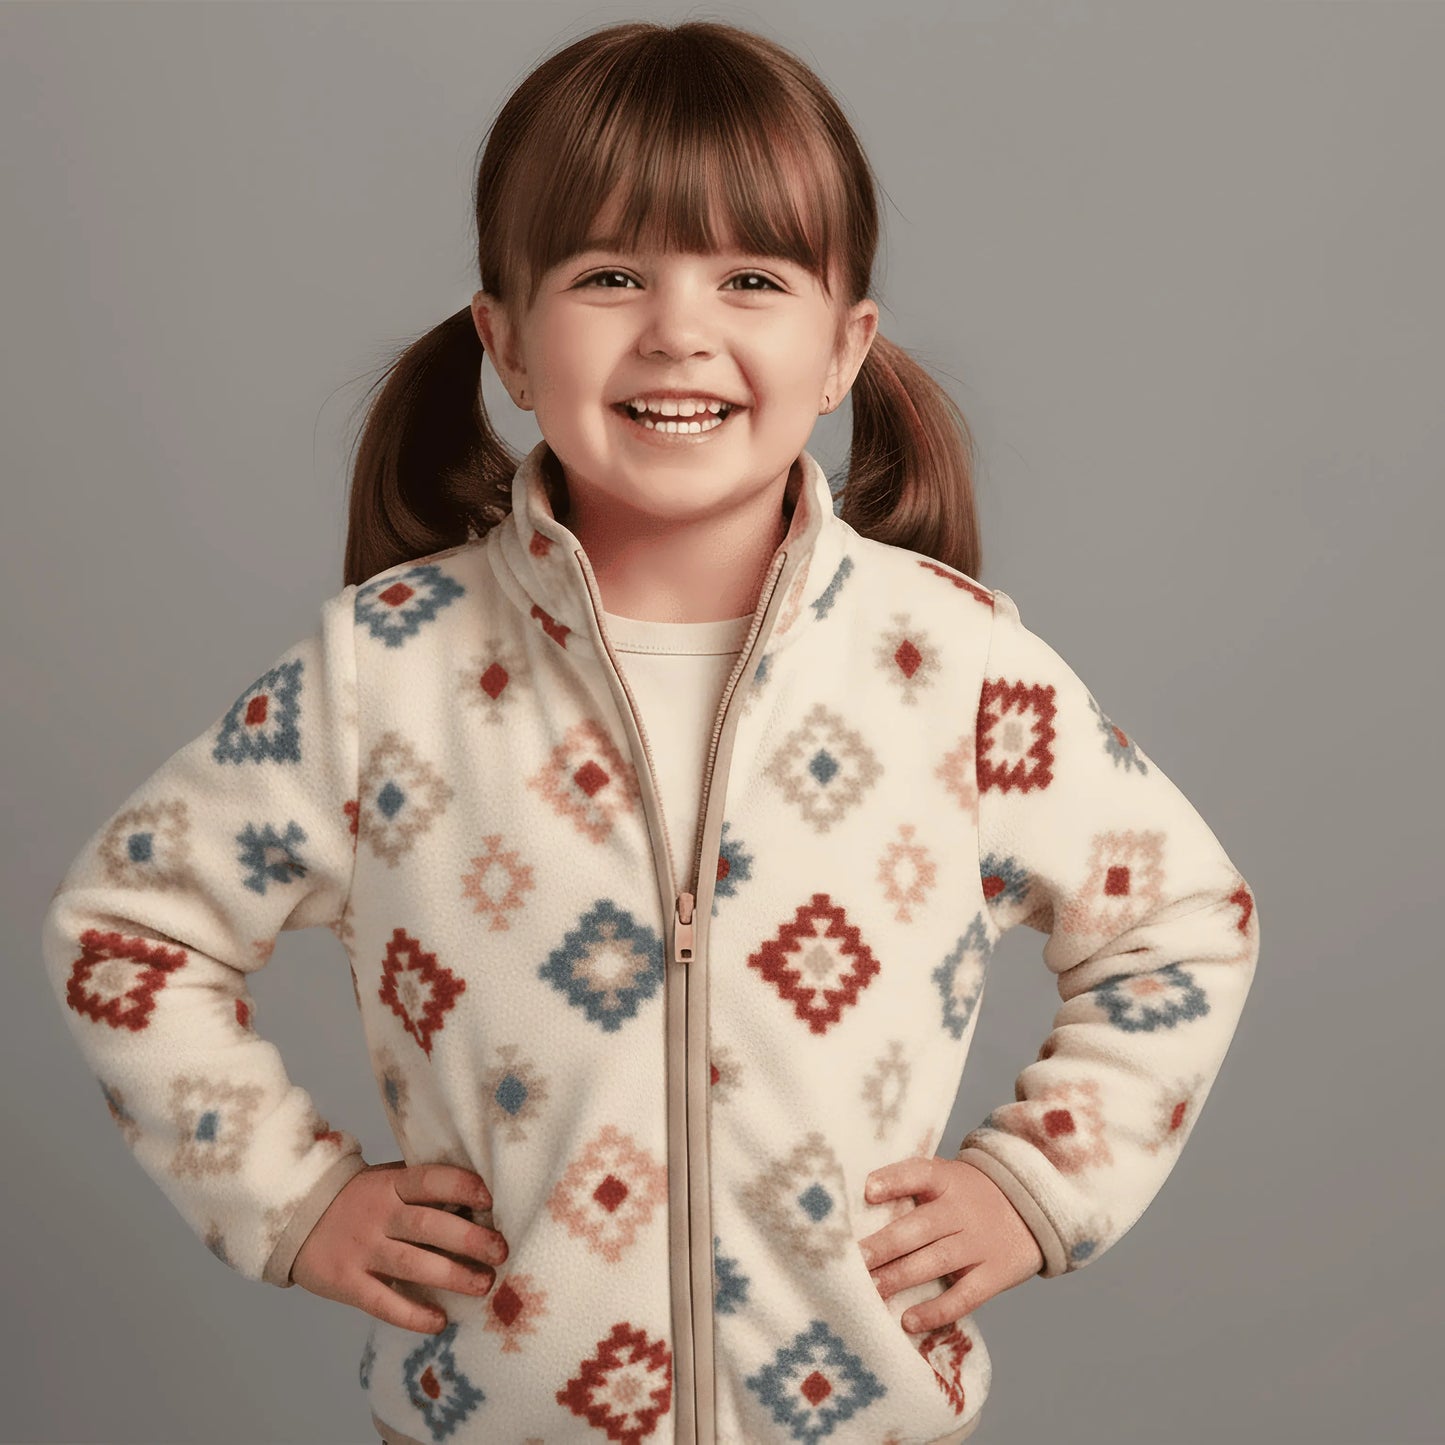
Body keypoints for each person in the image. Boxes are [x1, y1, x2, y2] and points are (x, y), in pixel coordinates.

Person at [40, 19, 1260, 1445]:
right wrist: (291, 1197)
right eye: (609, 275)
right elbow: (130, 926)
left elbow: (1180, 920)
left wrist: (1038, 1182)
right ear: (501, 338)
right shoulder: (384, 670)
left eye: (750, 277)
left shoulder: (953, 662)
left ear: (840, 349)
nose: (679, 328)